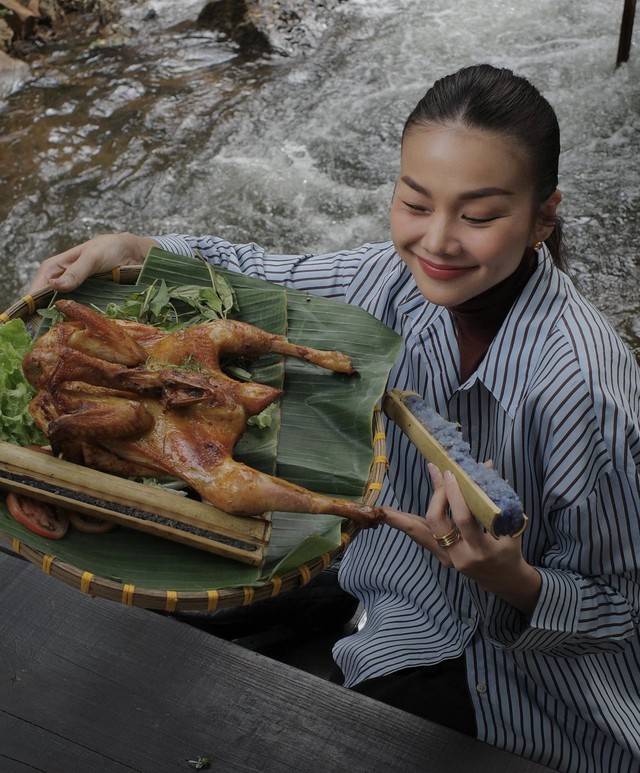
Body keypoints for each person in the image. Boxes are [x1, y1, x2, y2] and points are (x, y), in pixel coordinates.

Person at [30, 65, 640, 772]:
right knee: (136, 626)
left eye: (477, 216)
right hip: (383, 582)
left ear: (543, 216)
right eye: (416, 202)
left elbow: (622, 609)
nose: (437, 241)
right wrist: (131, 250)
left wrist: (512, 579)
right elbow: (259, 276)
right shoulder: (388, 278)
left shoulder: (578, 389)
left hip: (522, 690)